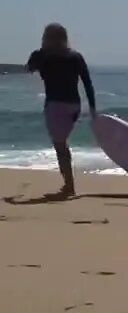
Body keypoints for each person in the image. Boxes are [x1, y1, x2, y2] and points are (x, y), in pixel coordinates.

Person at [26, 23, 97, 197]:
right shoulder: (75, 56)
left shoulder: (40, 56)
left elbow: (29, 69)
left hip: (55, 105)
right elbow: (88, 83)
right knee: (62, 143)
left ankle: (69, 187)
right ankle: (68, 185)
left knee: (60, 146)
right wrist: (93, 108)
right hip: (74, 106)